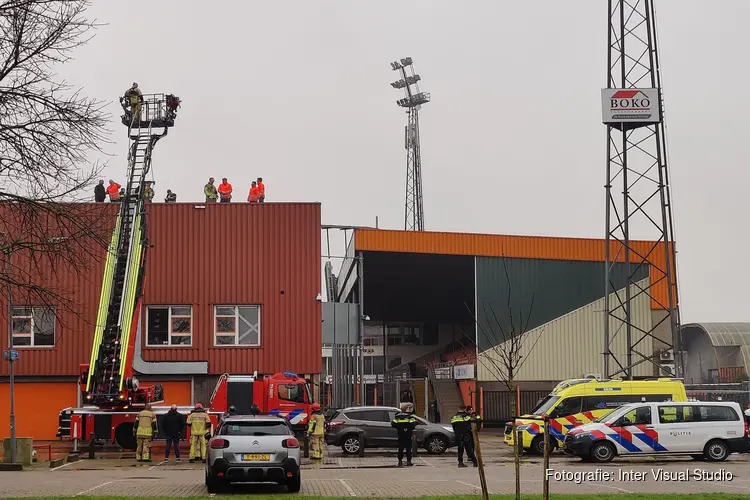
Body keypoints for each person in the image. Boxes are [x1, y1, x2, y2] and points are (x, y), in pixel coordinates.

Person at [391, 402, 417, 467]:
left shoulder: (397, 417)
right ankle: (409, 462)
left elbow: (393, 424)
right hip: (408, 435)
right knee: (408, 449)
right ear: (406, 410)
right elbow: (415, 423)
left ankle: (400, 461)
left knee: (400, 449)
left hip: (400, 435)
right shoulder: (409, 417)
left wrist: (399, 427)